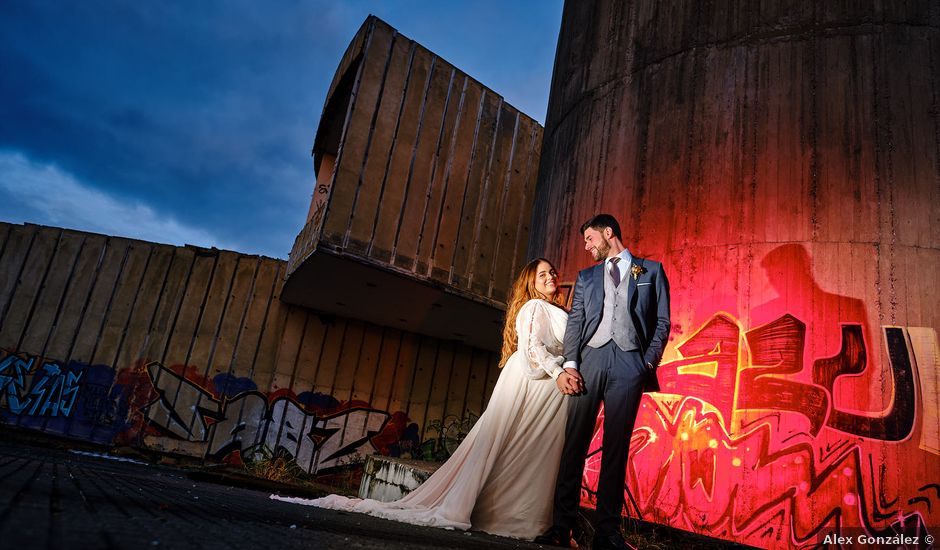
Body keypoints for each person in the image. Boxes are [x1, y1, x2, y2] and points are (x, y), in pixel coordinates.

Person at [272, 258, 573, 540]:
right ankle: (508, 516)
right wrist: (558, 370)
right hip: (534, 383)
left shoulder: (550, 307)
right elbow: (533, 351)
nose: (551, 277)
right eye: (542, 274)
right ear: (530, 284)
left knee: (517, 451)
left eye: (552, 273)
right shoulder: (534, 306)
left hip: (540, 389)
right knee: (514, 448)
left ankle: (508, 514)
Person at [536, 214, 671, 550]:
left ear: (608, 233)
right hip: (590, 361)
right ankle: (561, 527)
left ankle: (606, 534)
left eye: (590, 239)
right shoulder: (586, 277)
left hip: (630, 364)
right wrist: (571, 363)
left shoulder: (650, 271)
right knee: (574, 444)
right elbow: (576, 322)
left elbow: (663, 322)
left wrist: (645, 363)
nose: (586, 246)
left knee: (616, 449)